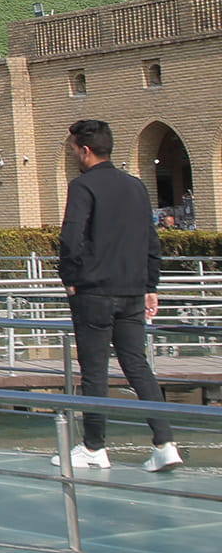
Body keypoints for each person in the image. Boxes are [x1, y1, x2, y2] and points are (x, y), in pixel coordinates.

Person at [54, 119, 182, 472]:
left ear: (85, 150)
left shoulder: (82, 187)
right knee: (138, 366)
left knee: (94, 371)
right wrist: (150, 286)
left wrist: (70, 277)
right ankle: (165, 442)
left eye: (75, 151)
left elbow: (71, 237)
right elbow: (152, 241)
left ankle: (94, 447)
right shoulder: (137, 187)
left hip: (94, 292)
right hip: (132, 292)